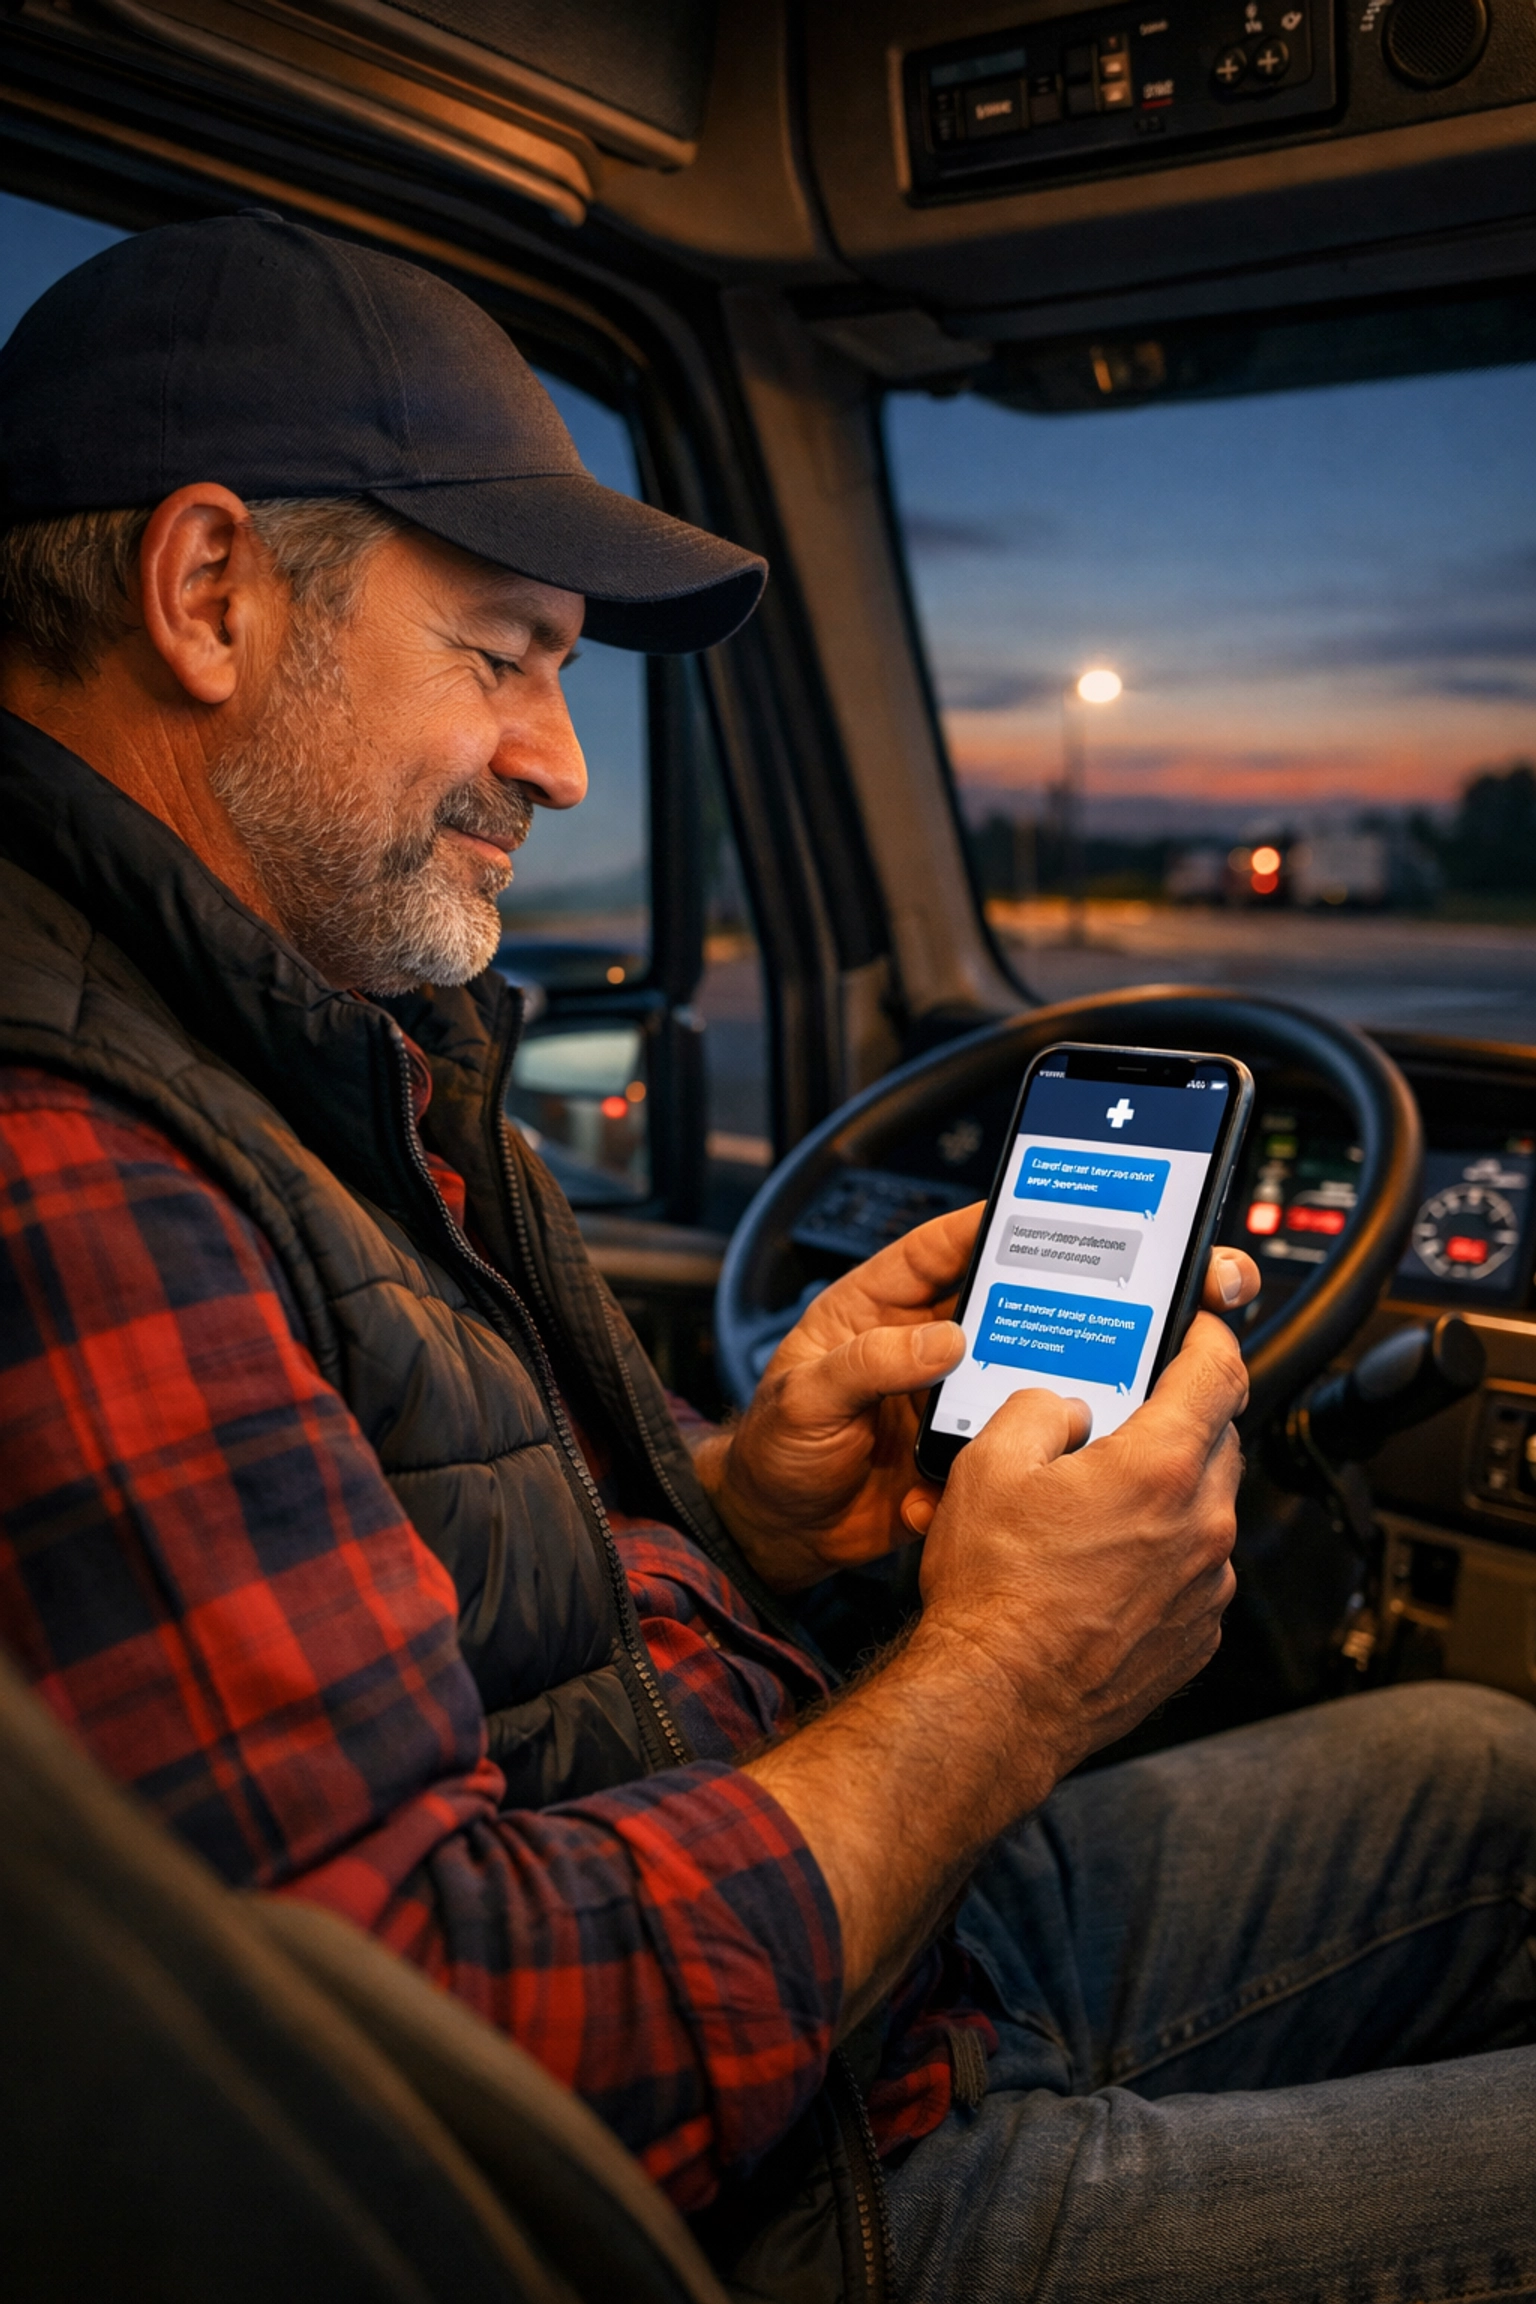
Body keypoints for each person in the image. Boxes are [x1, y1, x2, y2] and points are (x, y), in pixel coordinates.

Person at [0, 211, 1530, 2304]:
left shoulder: (316, 1044)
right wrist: (1013, 1670)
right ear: (207, 595)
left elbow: (455, 1638)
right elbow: (434, 2089)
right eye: (507, 652)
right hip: (759, 2217)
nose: (560, 758)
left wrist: (746, 1512)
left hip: (848, 1987)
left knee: (1486, 1772)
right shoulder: (65, 1164)